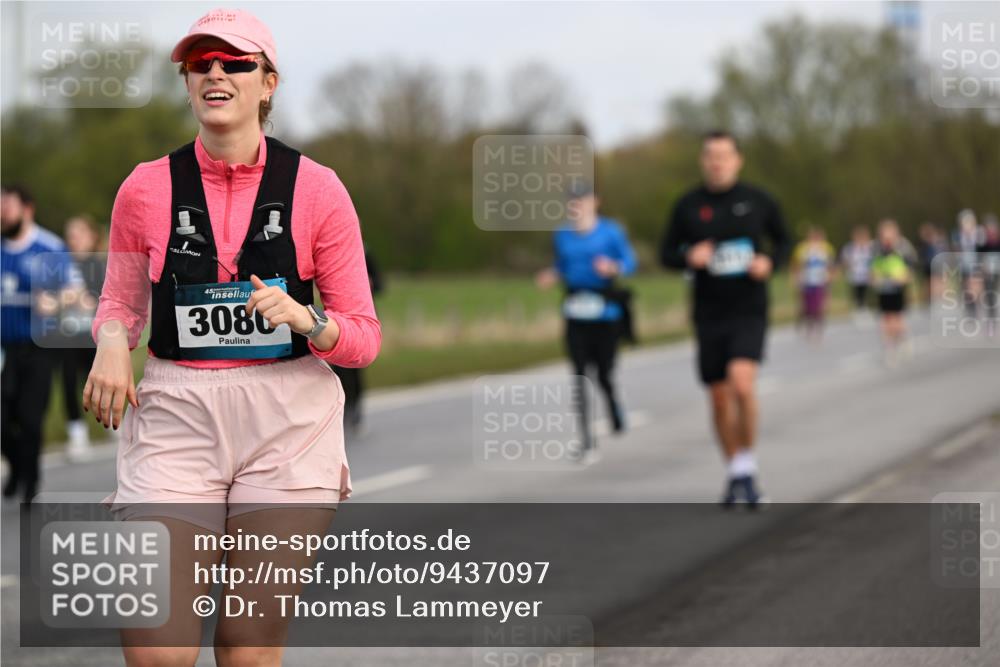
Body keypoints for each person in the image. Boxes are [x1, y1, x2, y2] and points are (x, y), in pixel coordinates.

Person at [84, 9, 380, 666]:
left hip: (287, 420)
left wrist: (309, 320)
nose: (217, 72)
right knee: (157, 648)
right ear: (188, 80)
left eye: (236, 62)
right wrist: (110, 341)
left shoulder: (319, 190)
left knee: (247, 647)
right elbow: (120, 302)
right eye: (201, 62)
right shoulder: (144, 188)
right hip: (177, 414)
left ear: (267, 81)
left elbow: (362, 336)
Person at [660, 130, 791, 509]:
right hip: (708, 311)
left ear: (738, 160)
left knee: (742, 384)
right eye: (711, 156)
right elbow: (666, 252)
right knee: (719, 399)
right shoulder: (687, 206)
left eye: (724, 155)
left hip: (749, 307)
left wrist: (770, 262)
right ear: (703, 161)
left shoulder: (758, 201)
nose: (717, 163)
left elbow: (783, 241)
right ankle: (738, 472)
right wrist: (688, 258)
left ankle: (746, 463)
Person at [536, 182, 637, 463]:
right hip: (575, 312)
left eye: (582, 200)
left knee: (604, 374)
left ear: (596, 202)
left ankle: (614, 404)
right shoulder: (562, 235)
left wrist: (613, 267)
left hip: (605, 314)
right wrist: (552, 275)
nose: (577, 206)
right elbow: (562, 265)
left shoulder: (611, 232)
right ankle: (586, 440)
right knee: (579, 376)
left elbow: (630, 262)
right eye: (572, 201)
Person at [2, 184, 78, 502]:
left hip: (38, 348)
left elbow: (74, 290)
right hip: (3, 348)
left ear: (27, 209)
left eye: (7, 208)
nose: (3, 215)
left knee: (31, 418)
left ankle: (30, 482)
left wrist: (56, 301)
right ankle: (18, 466)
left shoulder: (48, 247)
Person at [61, 215, 106, 461]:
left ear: (91, 236)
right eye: (70, 236)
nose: (73, 240)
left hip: (94, 335)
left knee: (99, 381)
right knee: (69, 382)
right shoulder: (62, 265)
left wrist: (81, 298)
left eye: (78, 234)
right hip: (68, 334)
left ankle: (114, 423)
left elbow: (97, 298)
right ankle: (76, 434)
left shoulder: (100, 265)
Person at [332, 245, 383, 436]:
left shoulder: (366, 255)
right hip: (338, 319)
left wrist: (368, 284)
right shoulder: (336, 251)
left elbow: (380, 285)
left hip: (361, 320)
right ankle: (345, 408)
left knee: (357, 369)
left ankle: (357, 409)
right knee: (339, 369)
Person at [870, 219, 915, 367]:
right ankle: (890, 350)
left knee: (897, 320)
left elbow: (910, 269)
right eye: (884, 236)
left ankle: (903, 340)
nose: (887, 239)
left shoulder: (903, 247)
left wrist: (902, 278)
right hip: (884, 290)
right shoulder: (876, 249)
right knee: (886, 321)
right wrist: (876, 279)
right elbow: (872, 269)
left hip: (898, 289)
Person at [791, 226, 836, 341]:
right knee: (807, 307)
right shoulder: (802, 249)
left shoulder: (827, 248)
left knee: (820, 306)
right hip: (807, 282)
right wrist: (796, 278)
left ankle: (818, 329)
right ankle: (807, 325)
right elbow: (796, 265)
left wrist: (831, 277)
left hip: (821, 281)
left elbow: (831, 265)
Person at [839, 225, 874, 322]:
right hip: (855, 275)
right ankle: (858, 309)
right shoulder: (850, 248)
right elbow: (844, 261)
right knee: (857, 293)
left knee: (866, 292)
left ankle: (866, 308)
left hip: (867, 274)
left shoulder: (871, 247)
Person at [916, 222, 948, 307]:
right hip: (928, 264)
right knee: (930, 283)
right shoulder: (924, 243)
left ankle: (939, 299)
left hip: (937, 264)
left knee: (938, 282)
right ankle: (930, 300)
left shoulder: (938, 241)